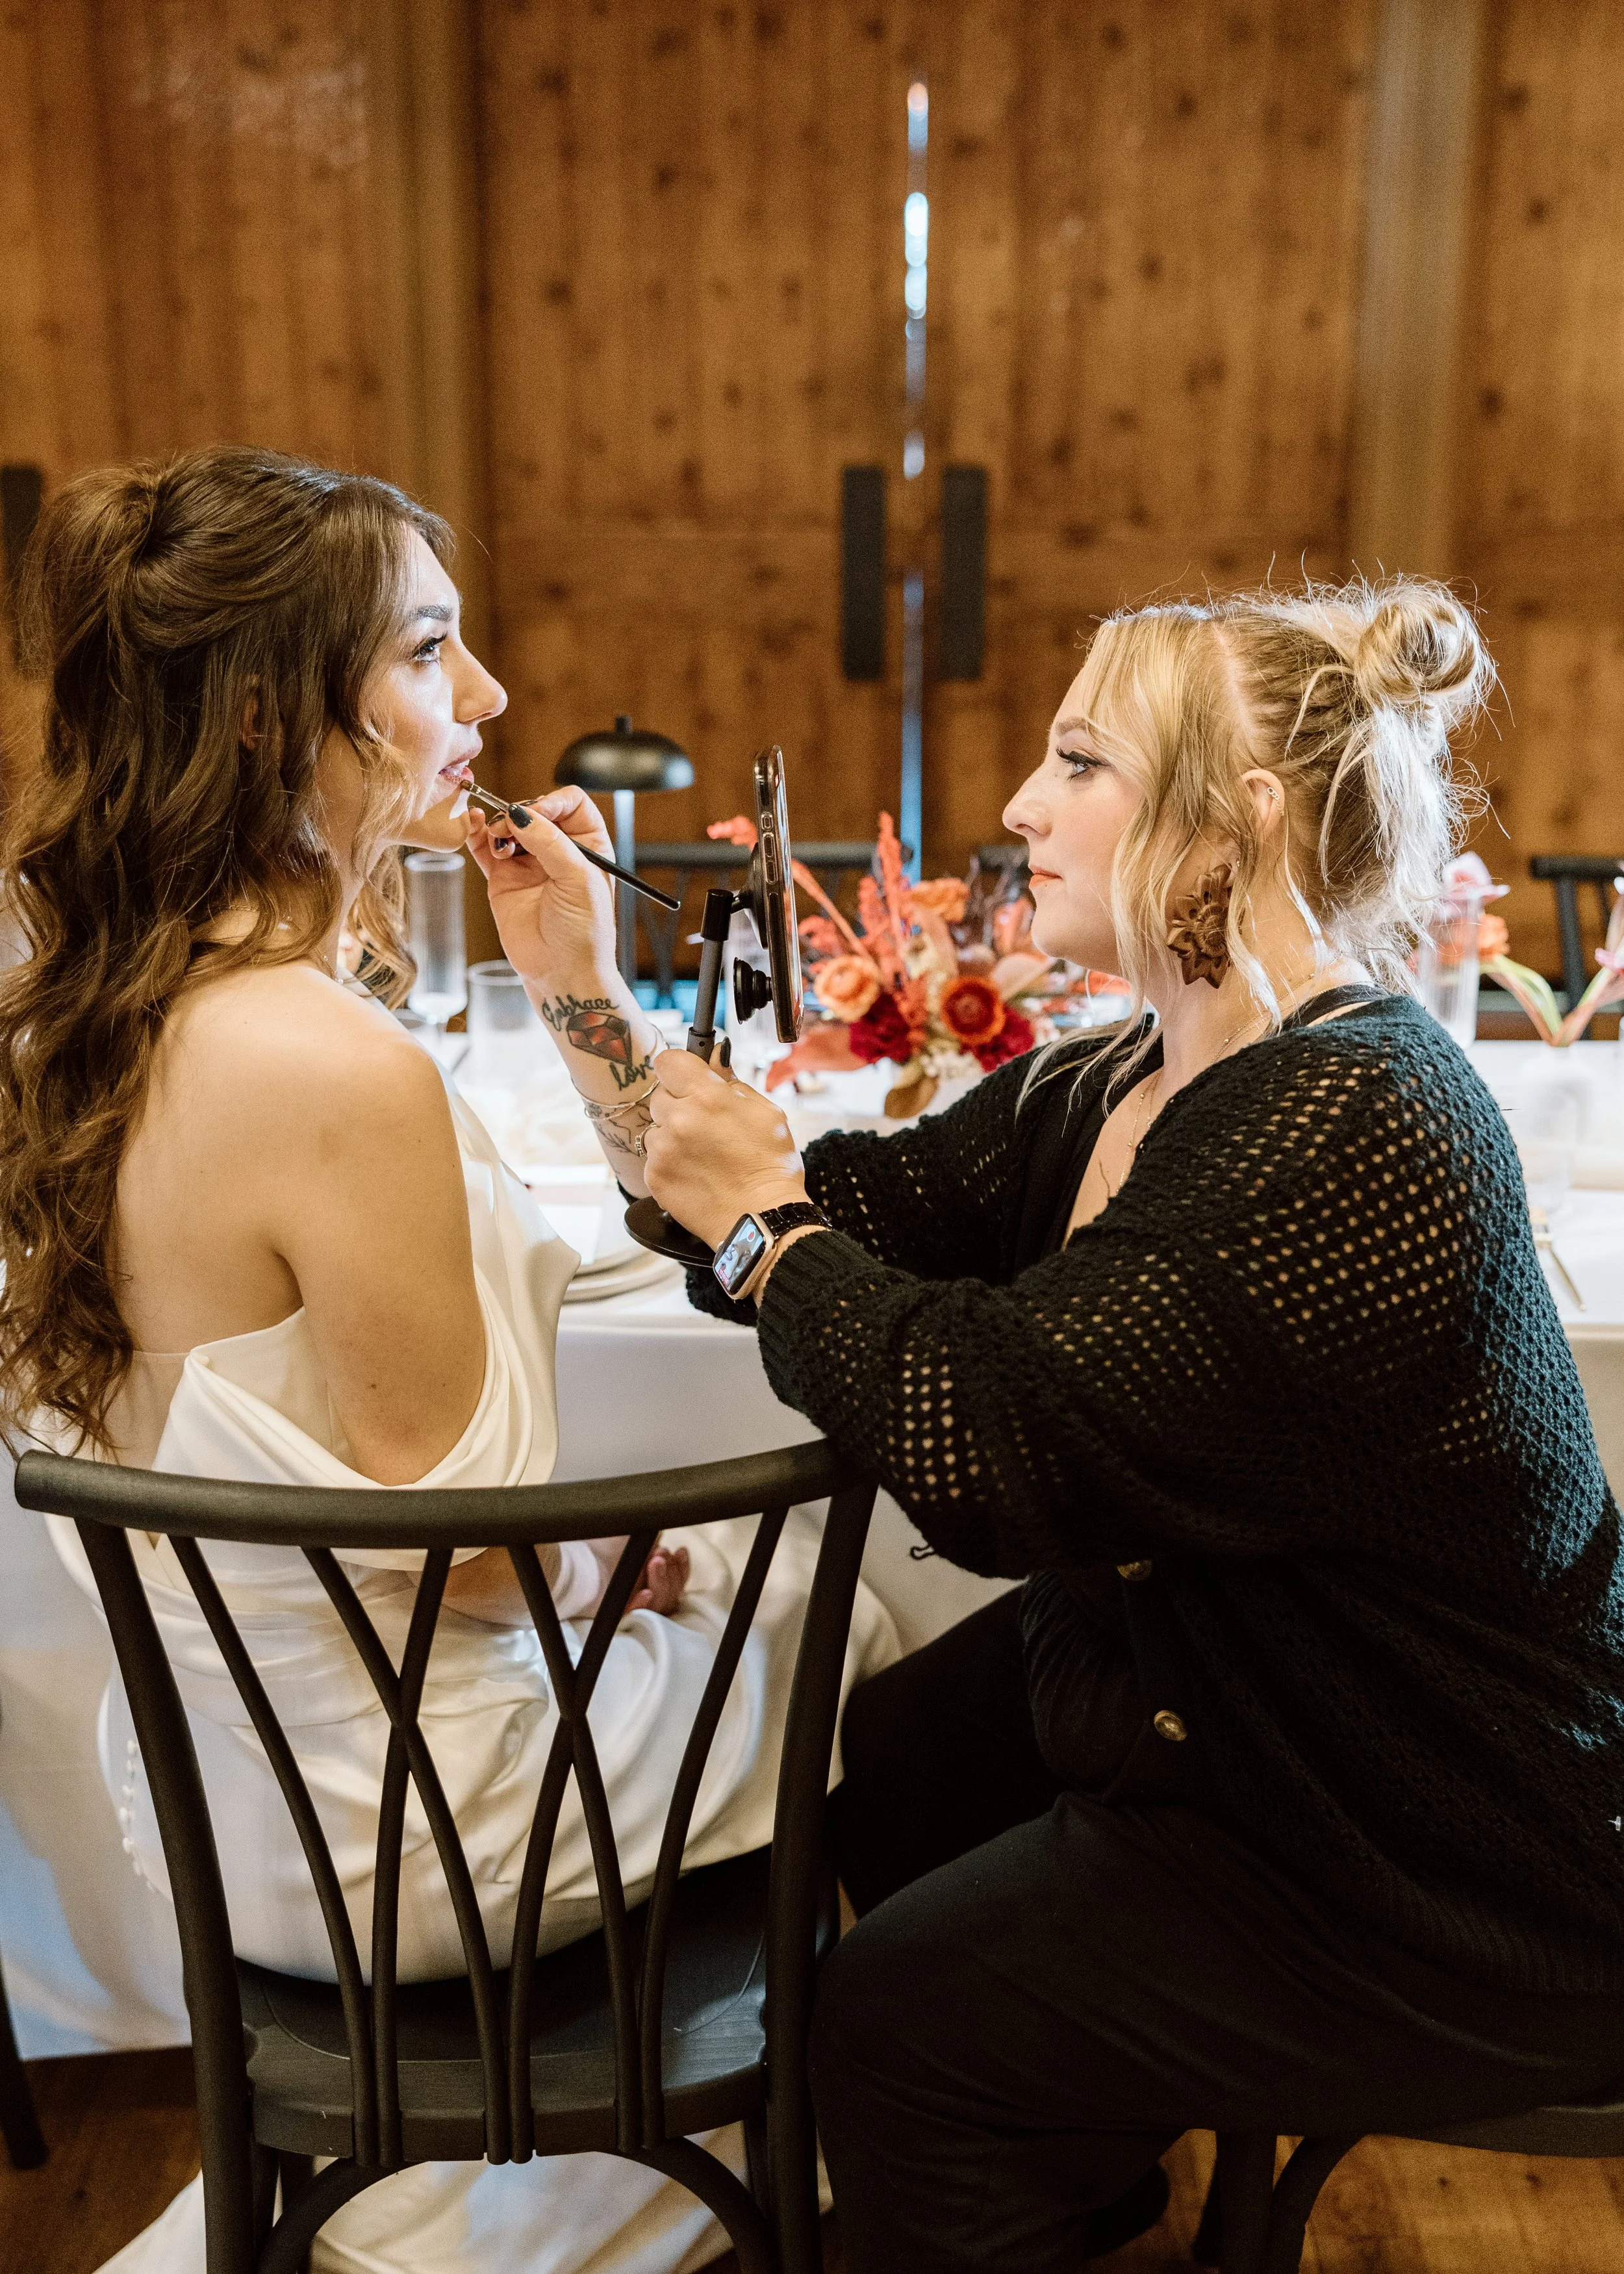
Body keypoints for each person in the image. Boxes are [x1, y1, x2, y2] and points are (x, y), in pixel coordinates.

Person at [499, 576, 1624, 2272]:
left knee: (893, 2022)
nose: (1021, 807)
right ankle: (1063, 2196)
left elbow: (989, 1444)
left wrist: (768, 1231)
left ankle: (1001, 2173)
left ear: (1227, 823)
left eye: (1078, 761)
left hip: (1445, 1856)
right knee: (890, 1766)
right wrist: (579, 982)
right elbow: (801, 1217)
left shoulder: (1354, 1112)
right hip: (1249, 1717)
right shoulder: (1113, 1073)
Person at [0, 444, 894, 2274]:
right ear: (267, 718)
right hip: (412, 1830)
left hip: (222, 1803)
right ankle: (850, 2125)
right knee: (863, 1605)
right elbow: (460, 1563)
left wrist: (579, 985)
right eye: (428, 651)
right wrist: (606, 1568)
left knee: (755, 1591)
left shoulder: (80, 1006)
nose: (484, 698)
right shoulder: (335, 1071)